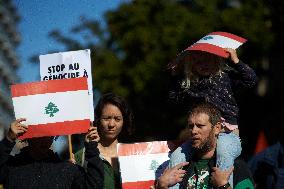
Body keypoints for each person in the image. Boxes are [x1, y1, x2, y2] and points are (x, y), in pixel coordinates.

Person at [167, 46, 257, 187]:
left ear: (217, 60)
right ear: (192, 66)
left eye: (207, 60)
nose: (203, 65)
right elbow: (174, 100)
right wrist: (174, 75)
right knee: (176, 156)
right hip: (204, 136)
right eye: (198, 62)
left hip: (228, 134)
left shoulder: (225, 77)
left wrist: (236, 61)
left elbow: (251, 80)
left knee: (224, 150)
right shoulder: (192, 84)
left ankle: (223, 184)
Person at [155, 102, 254, 189]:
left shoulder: (235, 166)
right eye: (191, 126)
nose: (194, 131)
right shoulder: (181, 167)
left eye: (200, 126)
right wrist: (162, 186)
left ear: (217, 128)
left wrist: (223, 185)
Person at [0, 118, 104, 189]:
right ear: (27, 134)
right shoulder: (11, 166)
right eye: (39, 134)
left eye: (49, 135)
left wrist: (92, 148)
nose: (45, 140)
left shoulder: (67, 169)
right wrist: (8, 139)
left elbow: (94, 185)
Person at [75, 93, 134, 189]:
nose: (111, 124)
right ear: (98, 120)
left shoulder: (133, 155)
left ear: (124, 121)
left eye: (117, 119)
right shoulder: (80, 157)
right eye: (106, 118)